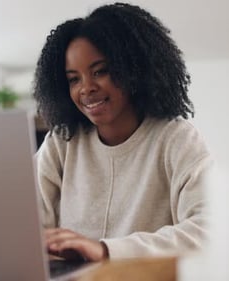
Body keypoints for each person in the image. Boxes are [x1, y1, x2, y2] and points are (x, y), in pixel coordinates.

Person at [33, 2, 212, 262]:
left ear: (133, 69)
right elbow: (29, 223)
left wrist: (105, 251)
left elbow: (208, 229)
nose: (86, 88)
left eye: (100, 71)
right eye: (74, 79)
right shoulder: (62, 142)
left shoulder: (176, 138)